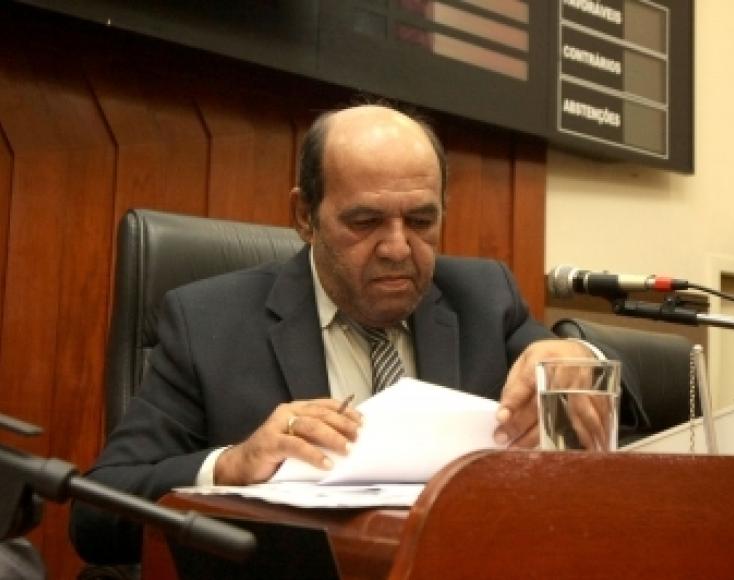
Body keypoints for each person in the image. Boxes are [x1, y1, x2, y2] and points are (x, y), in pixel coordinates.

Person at [70, 103, 639, 564]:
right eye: (365, 222)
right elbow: (96, 515)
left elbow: (617, 406)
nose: (397, 247)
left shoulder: (483, 298)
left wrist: (578, 356)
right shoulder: (208, 322)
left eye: (421, 221)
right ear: (305, 216)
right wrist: (230, 466)